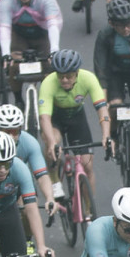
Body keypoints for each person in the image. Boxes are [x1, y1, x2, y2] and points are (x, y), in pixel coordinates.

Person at [37, 49, 110, 208]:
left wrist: (106, 135)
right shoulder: (48, 83)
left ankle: (89, 211)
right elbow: (45, 118)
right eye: (60, 76)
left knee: (87, 166)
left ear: (77, 73)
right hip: (55, 118)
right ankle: (55, 180)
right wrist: (52, 143)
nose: (64, 80)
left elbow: (102, 109)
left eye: (69, 76)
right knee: (52, 143)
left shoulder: (88, 78)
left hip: (77, 118)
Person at [0, 103, 57, 220]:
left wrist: (50, 198)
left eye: (14, 131)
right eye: (6, 131)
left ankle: (26, 232)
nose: (10, 136)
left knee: (28, 211)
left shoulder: (30, 142)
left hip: (18, 183)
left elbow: (42, 176)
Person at [0, 0, 63, 88]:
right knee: (14, 66)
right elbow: (4, 28)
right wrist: (6, 54)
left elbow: (53, 23)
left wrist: (54, 50)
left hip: (42, 33)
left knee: (49, 67)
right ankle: (18, 97)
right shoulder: (6, 1)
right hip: (19, 34)